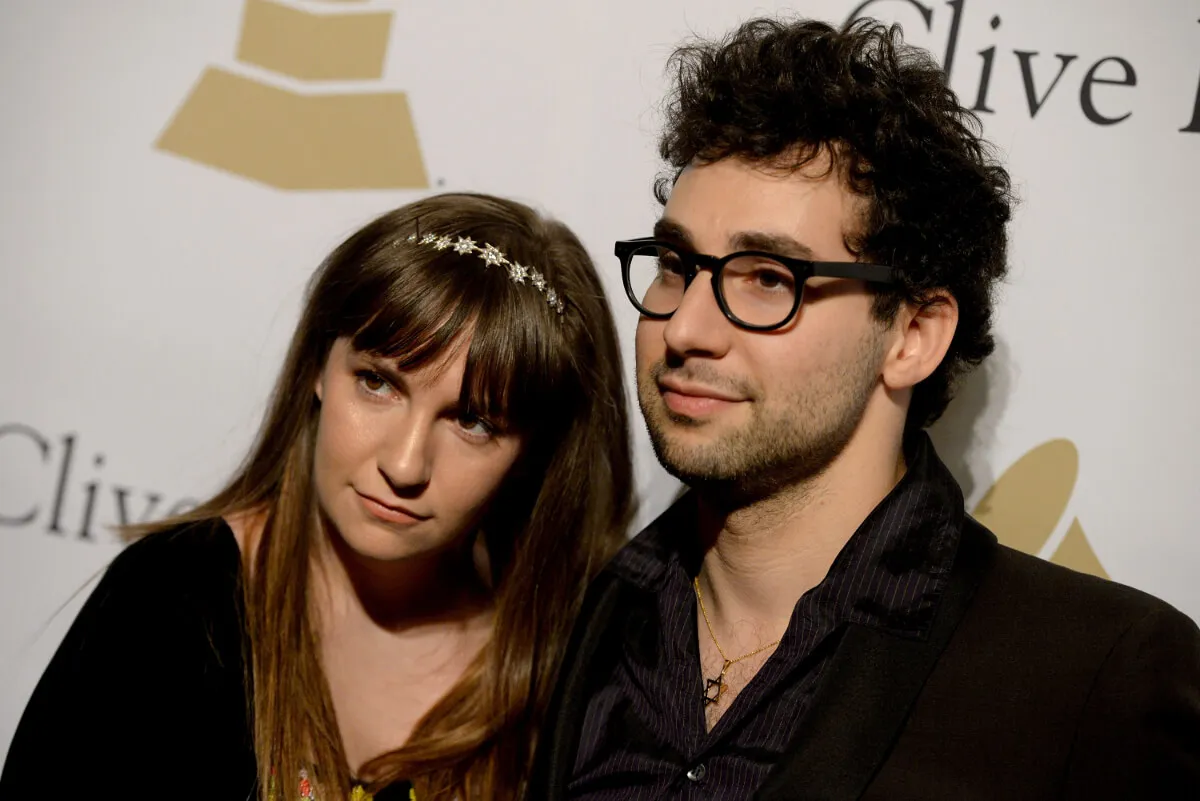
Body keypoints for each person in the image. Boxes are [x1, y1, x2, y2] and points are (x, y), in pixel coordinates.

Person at [529, 17, 1200, 800]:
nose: (684, 328)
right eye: (677, 264)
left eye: (768, 278)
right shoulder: (585, 615)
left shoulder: (1099, 675)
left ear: (912, 335)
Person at [0, 193, 634, 801]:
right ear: (317, 369)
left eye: (473, 421)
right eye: (377, 383)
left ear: (534, 455)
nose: (405, 463)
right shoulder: (173, 595)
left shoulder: (563, 676)